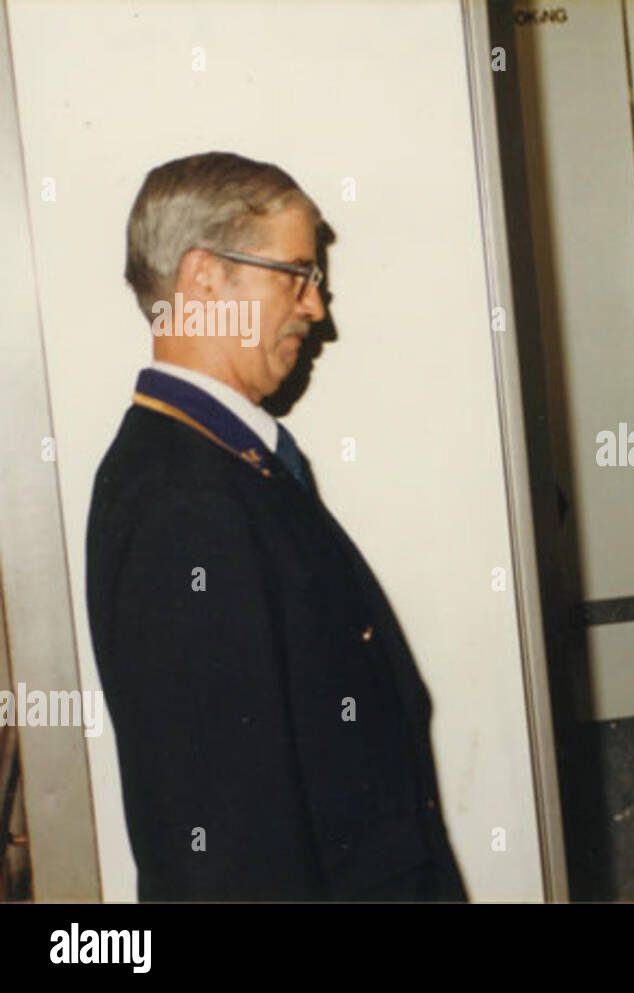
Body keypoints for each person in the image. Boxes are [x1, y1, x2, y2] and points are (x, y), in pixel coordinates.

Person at [86, 151, 466, 901]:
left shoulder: (219, 464)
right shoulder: (184, 504)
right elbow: (224, 847)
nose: (316, 308)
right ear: (204, 280)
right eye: (295, 275)